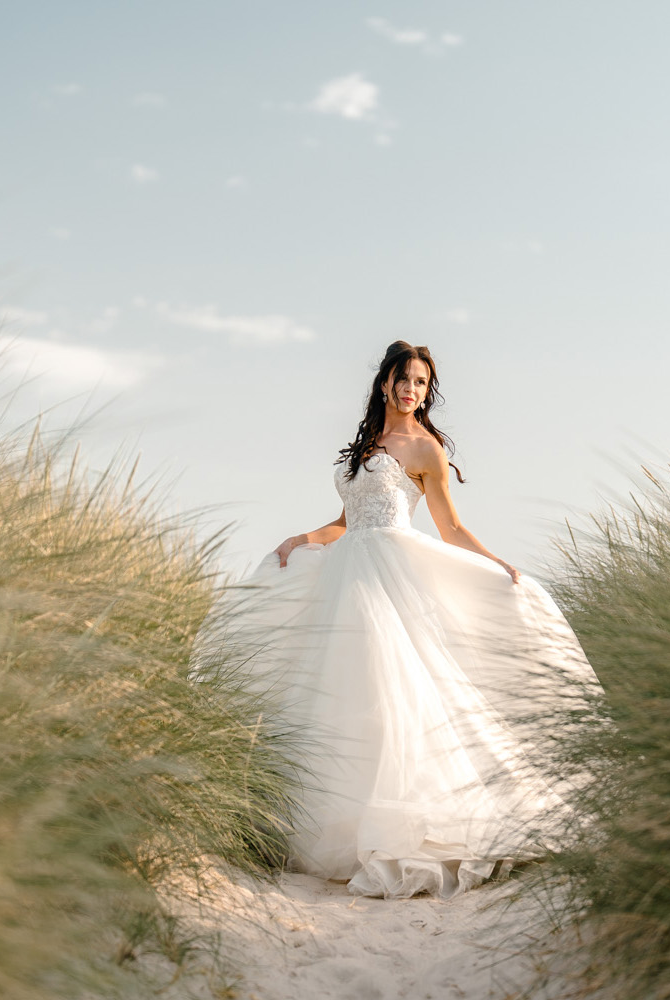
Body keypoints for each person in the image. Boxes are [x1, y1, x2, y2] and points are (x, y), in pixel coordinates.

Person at [203, 341, 601, 900]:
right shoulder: (366, 444)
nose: (412, 389)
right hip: (347, 569)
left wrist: (496, 563)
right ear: (385, 382)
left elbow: (450, 527)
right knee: (342, 694)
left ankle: (407, 828)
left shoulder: (425, 449)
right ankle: (339, 823)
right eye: (404, 379)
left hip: (390, 573)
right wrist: (302, 539)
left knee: (391, 689)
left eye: (420, 382)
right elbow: (346, 521)